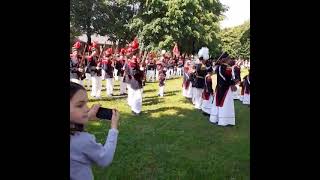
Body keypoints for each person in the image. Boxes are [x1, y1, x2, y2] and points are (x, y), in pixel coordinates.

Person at [70, 82, 120, 180]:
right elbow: (104, 159)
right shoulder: (82, 140)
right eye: (80, 105)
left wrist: (87, 117)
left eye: (86, 103)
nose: (87, 108)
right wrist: (114, 128)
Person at [209, 57, 236, 126]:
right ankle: (224, 121)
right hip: (226, 88)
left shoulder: (219, 67)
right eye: (229, 59)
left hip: (219, 87)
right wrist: (233, 83)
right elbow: (227, 78)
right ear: (226, 60)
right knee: (225, 104)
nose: (230, 60)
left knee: (217, 103)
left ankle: (216, 118)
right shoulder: (228, 68)